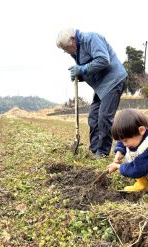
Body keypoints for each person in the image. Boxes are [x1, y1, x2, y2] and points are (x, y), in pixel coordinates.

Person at [56, 28, 127, 158]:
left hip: (113, 81)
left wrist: (81, 69)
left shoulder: (90, 38)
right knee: (93, 118)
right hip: (101, 86)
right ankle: (94, 150)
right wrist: (80, 75)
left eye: (66, 47)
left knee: (104, 117)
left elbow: (103, 60)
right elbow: (90, 70)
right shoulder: (76, 51)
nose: (66, 51)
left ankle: (103, 152)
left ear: (72, 39)